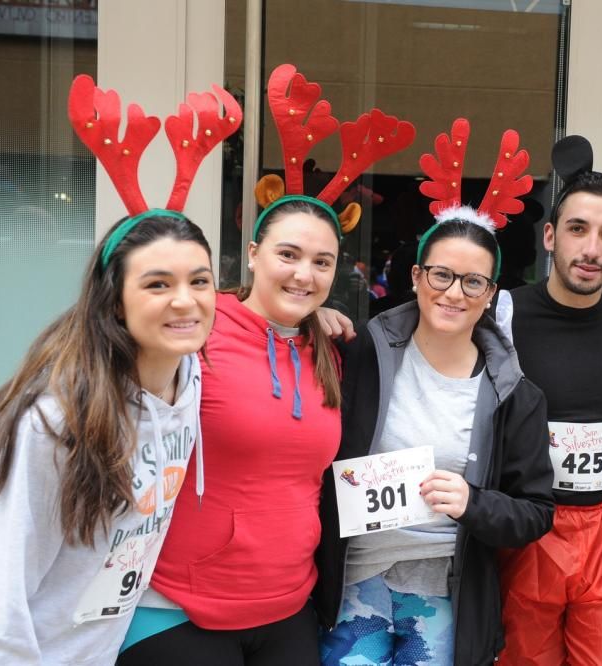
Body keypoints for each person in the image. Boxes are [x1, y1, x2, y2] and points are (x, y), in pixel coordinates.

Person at [116, 64, 415, 665]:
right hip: (178, 611)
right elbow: (82, 400)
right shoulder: (195, 328)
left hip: (289, 612)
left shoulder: (331, 350)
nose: (304, 275)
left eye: (322, 262)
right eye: (288, 254)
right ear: (253, 254)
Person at [0, 71, 235, 665]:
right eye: (157, 284)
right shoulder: (57, 420)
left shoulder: (188, 382)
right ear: (115, 299)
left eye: (200, 281)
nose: (185, 301)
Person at [317, 119, 555, 666]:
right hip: (354, 582)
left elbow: (537, 513)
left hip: (446, 590)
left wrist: (474, 503)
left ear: (491, 294)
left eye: (473, 282)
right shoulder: (361, 355)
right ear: (418, 277)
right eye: (442, 275)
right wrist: (313, 319)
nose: (455, 293)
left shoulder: (515, 393)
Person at [494, 136, 602, 666]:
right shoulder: (497, 314)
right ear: (549, 236)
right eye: (577, 229)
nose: (591, 248)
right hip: (524, 534)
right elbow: (421, 332)